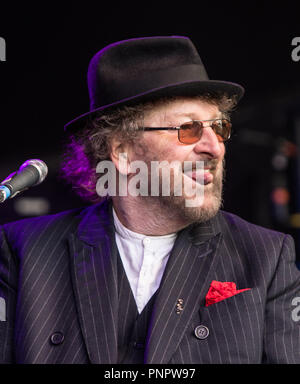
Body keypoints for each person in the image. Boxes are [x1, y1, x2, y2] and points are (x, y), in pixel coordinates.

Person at [0, 36, 299, 364]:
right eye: (189, 129)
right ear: (123, 153)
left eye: (220, 128)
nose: (215, 147)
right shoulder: (23, 252)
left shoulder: (267, 257)